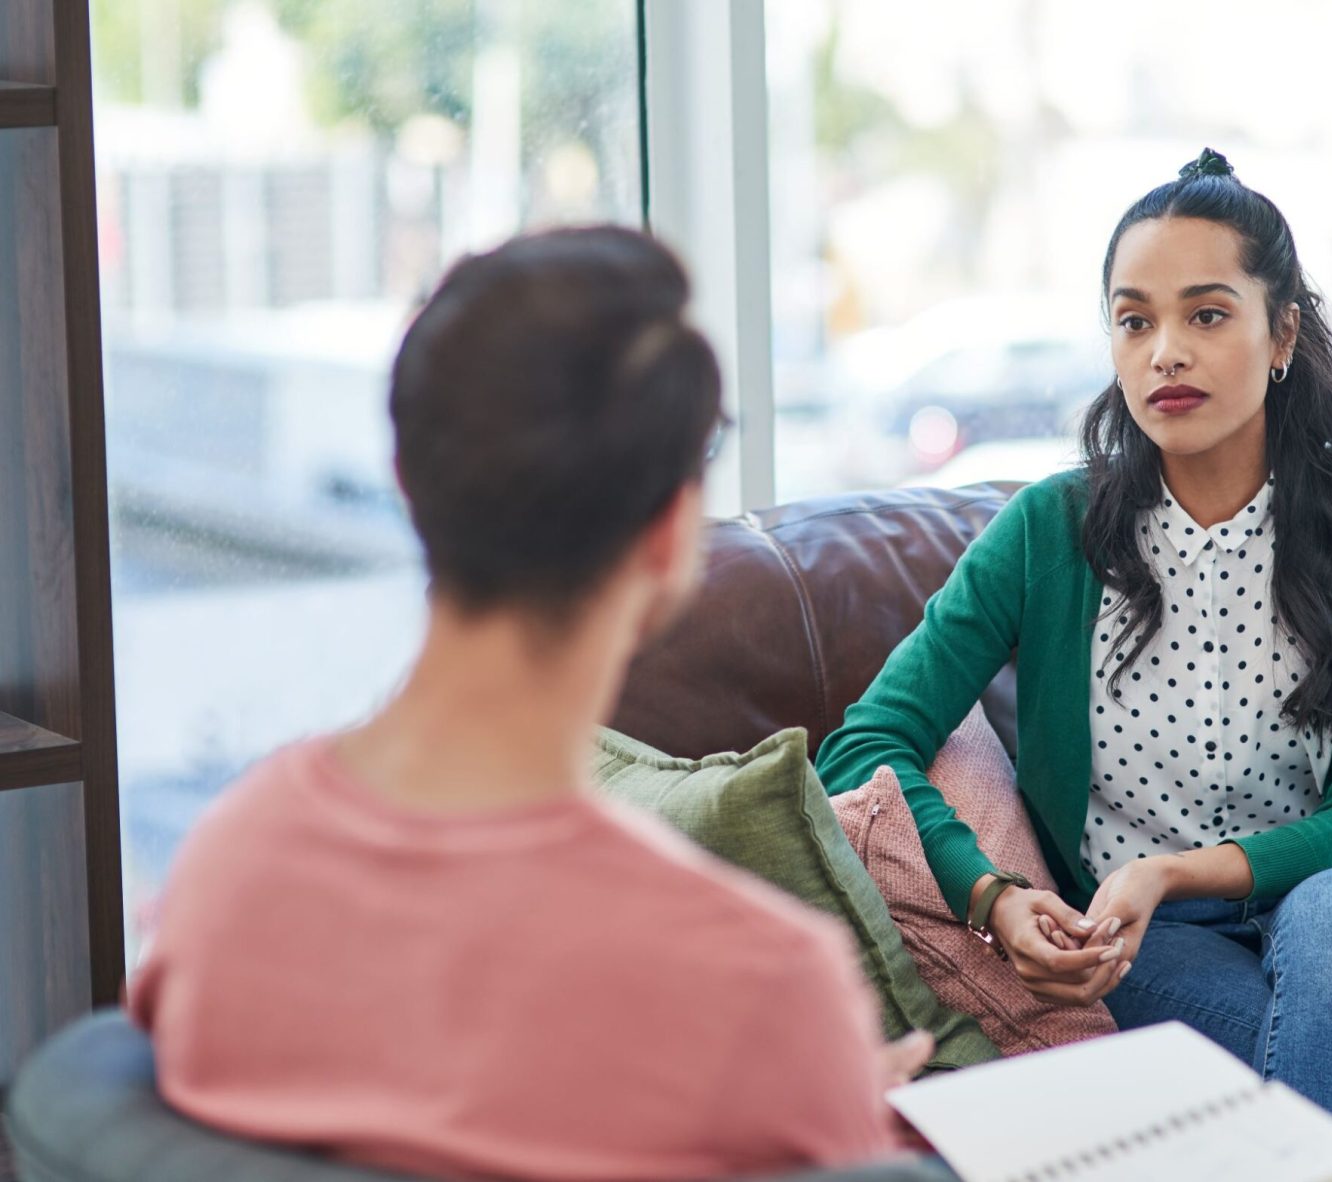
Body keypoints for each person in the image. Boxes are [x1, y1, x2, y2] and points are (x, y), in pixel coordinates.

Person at [128, 226, 930, 1181]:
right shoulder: (758, 983)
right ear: (673, 538)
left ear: (406, 484)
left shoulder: (222, 868)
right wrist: (826, 1096)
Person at [816, 149, 1332, 1181]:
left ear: (1283, 331)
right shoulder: (1051, 533)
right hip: (1154, 950)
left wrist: (1167, 870)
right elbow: (867, 743)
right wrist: (988, 896)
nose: (1166, 351)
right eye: (1135, 320)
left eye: (1208, 315)